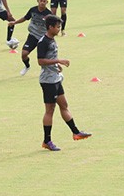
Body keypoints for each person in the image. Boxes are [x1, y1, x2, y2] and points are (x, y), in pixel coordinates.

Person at [36, 15, 91, 151]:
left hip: (55, 78)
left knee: (64, 105)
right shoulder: (43, 42)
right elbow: (40, 61)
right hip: (48, 81)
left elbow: (50, 57)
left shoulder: (52, 39)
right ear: (50, 27)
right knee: (50, 110)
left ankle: (76, 132)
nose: (59, 29)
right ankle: (47, 141)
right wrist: (58, 61)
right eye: (58, 27)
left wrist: (57, 66)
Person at [9, 0, 51, 76]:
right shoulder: (33, 10)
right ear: (37, 1)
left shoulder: (48, 14)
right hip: (33, 35)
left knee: (43, 58)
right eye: (41, 0)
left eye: (44, 1)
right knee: (24, 54)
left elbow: (52, 26)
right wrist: (14, 22)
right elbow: (25, 18)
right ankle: (27, 66)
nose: (42, 2)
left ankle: (46, 71)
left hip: (43, 38)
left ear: (47, 2)